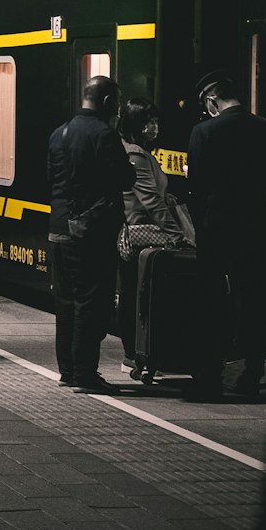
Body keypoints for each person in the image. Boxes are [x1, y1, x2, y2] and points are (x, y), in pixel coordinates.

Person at [186, 69, 266, 401]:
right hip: (254, 227)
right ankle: (251, 374)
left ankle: (209, 377)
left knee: (211, 302)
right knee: (254, 301)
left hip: (216, 229)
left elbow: (194, 188)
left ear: (212, 101)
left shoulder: (204, 132)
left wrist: (200, 226)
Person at [47, 74, 135, 392]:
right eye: (119, 104)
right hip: (90, 234)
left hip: (58, 230)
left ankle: (68, 370)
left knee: (65, 301)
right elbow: (125, 179)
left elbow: (51, 178)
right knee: (91, 303)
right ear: (109, 103)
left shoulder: (58, 134)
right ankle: (85, 372)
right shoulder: (104, 135)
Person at [116, 97, 193, 373]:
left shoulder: (137, 151)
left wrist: (167, 196)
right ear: (136, 125)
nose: (154, 127)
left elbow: (155, 195)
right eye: (149, 122)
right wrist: (177, 234)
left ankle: (137, 353)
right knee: (135, 296)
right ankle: (133, 354)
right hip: (142, 235)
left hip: (141, 232)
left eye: (156, 121)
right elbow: (149, 201)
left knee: (134, 294)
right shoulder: (136, 154)